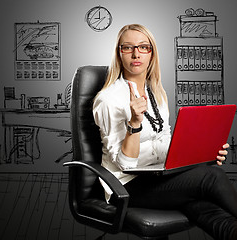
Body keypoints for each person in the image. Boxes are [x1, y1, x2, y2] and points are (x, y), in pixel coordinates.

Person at [93, 24, 237, 240]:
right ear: (119, 53)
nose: (136, 54)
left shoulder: (157, 92)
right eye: (128, 48)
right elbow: (126, 164)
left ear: (152, 54)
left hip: (158, 174)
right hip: (125, 187)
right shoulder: (107, 100)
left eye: (143, 47)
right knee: (212, 177)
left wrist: (202, 153)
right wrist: (134, 123)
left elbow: (166, 139)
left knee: (206, 210)